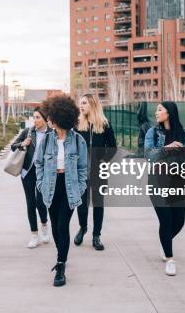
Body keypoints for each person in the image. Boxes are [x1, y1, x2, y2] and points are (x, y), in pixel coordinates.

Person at [35, 95, 87, 287]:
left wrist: (80, 188)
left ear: (59, 118)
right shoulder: (47, 140)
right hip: (50, 186)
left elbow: (83, 168)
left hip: (70, 187)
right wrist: (40, 184)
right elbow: (38, 163)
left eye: (50, 117)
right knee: (56, 226)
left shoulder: (78, 140)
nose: (48, 120)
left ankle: (60, 265)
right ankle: (62, 255)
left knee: (63, 225)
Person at [144, 101, 185, 276]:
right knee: (165, 220)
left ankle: (165, 242)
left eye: (160, 109)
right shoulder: (152, 132)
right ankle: (170, 259)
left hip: (178, 180)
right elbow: (149, 156)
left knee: (179, 222)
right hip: (157, 180)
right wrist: (167, 148)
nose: (156, 112)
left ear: (169, 112)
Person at [74, 93, 117, 251]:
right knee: (82, 203)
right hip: (81, 172)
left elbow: (112, 147)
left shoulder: (104, 124)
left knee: (98, 204)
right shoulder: (77, 125)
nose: (81, 105)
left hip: (99, 172)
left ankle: (96, 235)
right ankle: (83, 228)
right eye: (81, 103)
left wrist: (103, 161)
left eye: (84, 103)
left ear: (92, 104)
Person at [10, 106, 51, 248]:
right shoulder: (28, 131)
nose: (35, 120)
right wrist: (22, 144)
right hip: (27, 172)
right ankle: (34, 234)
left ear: (46, 119)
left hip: (43, 173)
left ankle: (44, 224)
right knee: (30, 203)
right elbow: (13, 146)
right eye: (34, 117)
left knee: (41, 202)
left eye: (38, 117)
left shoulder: (52, 134)